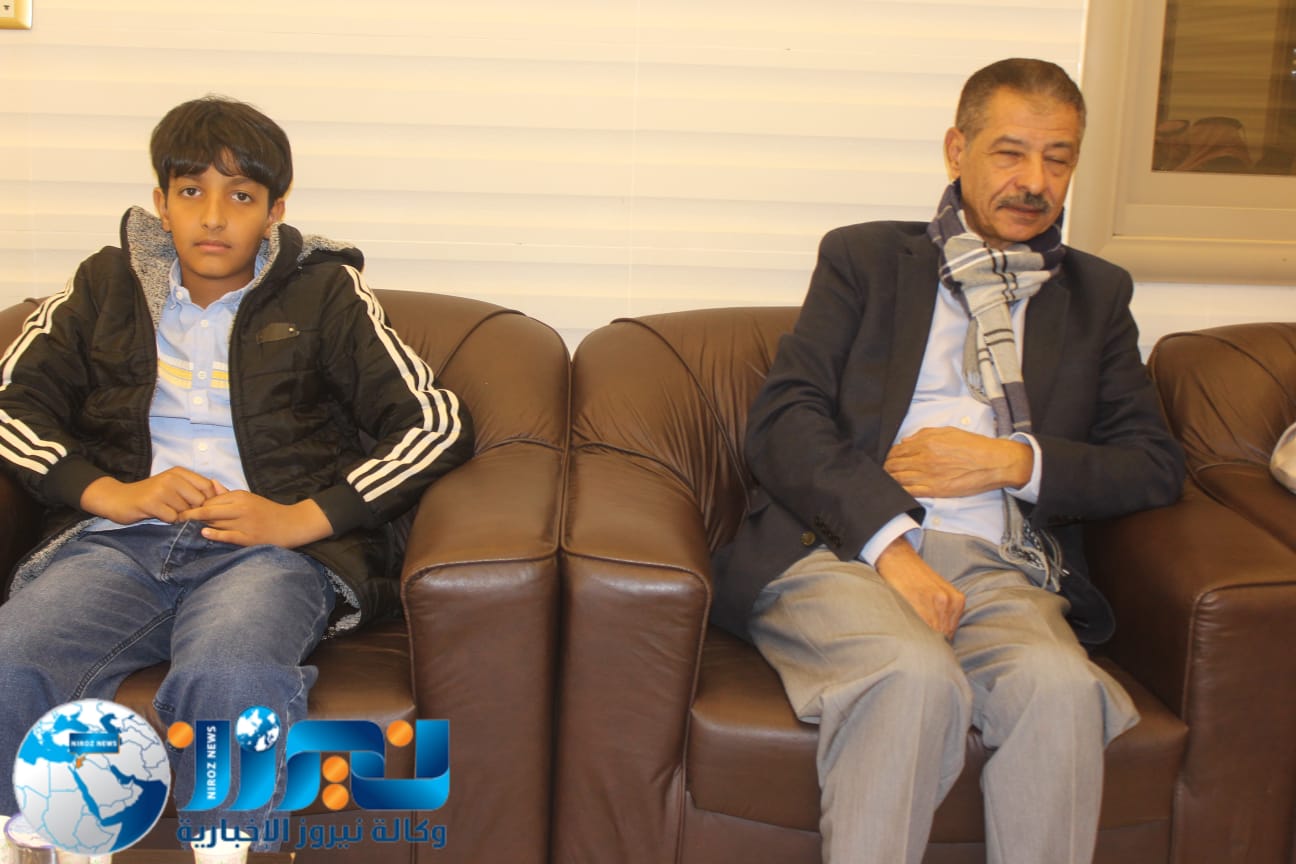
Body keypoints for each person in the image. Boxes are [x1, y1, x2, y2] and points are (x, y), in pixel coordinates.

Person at [711, 58, 1185, 864]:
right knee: (911, 676)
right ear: (956, 150)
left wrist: (1011, 462)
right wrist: (892, 549)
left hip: (1002, 567)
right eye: (1010, 153)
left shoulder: (1096, 297)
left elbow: (1153, 464)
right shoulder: (865, 261)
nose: (1035, 181)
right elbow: (785, 421)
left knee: (1063, 690)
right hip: (842, 551)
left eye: (1059, 159)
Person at [0, 96, 473, 850]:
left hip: (268, 555)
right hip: (119, 543)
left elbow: (435, 422)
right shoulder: (104, 286)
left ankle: (227, 846)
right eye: (192, 192)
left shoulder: (325, 292)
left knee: (232, 671)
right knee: (14, 653)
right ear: (161, 203)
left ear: (275, 211)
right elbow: (10, 404)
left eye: (242, 197)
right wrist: (108, 494)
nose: (214, 217)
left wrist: (300, 519)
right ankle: (25, 839)